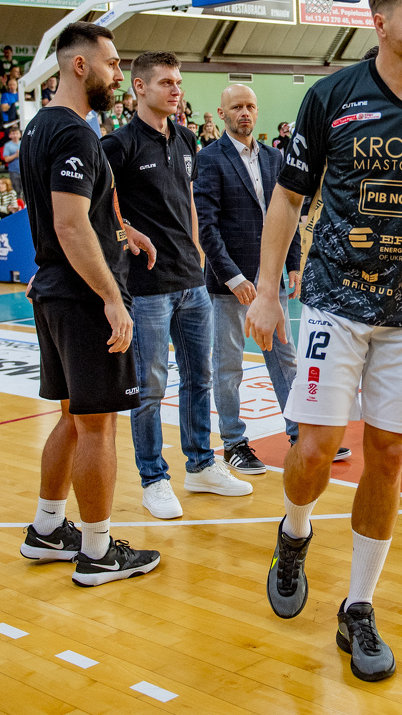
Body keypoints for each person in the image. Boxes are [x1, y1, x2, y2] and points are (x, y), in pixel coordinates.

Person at [244, 0, 402, 683]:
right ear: (378, 23)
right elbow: (288, 199)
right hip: (337, 299)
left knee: (388, 455)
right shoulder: (331, 96)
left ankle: (357, 606)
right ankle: (294, 531)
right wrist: (268, 292)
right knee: (318, 446)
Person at [17, 20, 161, 586]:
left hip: (55, 290)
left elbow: (82, 214)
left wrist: (124, 230)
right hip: (83, 298)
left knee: (74, 420)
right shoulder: (75, 134)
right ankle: (98, 552)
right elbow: (70, 224)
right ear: (80, 65)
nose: (119, 74)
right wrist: (112, 298)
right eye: (113, 63)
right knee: (98, 425)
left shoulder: (39, 127)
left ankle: (47, 529)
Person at [103, 52, 252, 521]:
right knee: (149, 388)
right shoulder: (118, 145)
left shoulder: (187, 139)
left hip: (192, 281)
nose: (176, 90)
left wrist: (198, 250)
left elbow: (188, 202)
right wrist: (126, 230)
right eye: (166, 82)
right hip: (147, 287)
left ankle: (201, 465)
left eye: (179, 82)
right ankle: (153, 478)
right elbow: (97, 206)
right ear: (139, 87)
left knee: (199, 378)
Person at [195, 83, 351, 478]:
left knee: (285, 359)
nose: (244, 113)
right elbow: (207, 227)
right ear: (222, 113)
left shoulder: (275, 156)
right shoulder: (209, 158)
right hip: (230, 284)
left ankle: (300, 434)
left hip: (271, 278)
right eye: (236, 107)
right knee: (228, 366)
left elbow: (290, 213)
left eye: (250, 106)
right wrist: (232, 277)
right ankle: (234, 442)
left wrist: (293, 263)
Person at [2, 125, 22, 197]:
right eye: (13, 134)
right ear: (10, 135)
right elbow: (6, 159)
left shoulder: (23, 143)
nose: (15, 135)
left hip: (24, 170)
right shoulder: (8, 145)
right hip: (14, 171)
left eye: (17, 133)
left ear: (20, 135)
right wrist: (16, 155)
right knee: (16, 190)